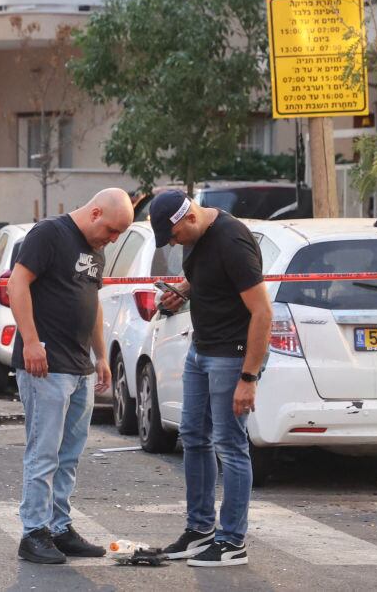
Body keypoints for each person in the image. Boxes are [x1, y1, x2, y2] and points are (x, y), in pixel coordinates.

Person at [7, 188, 134, 564]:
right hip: (45, 366)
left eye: (117, 235)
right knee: (43, 453)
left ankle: (59, 528)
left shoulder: (96, 250)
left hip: (78, 367)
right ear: (95, 212)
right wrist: (31, 343)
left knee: (69, 455)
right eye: (111, 231)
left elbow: (92, 302)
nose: (112, 240)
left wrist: (100, 356)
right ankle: (34, 533)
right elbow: (17, 283)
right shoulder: (48, 235)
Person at [148, 190, 272, 567]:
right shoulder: (194, 238)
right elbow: (210, 281)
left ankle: (232, 541)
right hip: (200, 351)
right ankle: (200, 531)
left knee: (230, 446)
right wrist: (182, 293)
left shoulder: (232, 240)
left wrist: (248, 377)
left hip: (230, 357)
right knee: (193, 437)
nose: (173, 244)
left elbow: (262, 313)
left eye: (172, 236)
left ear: (187, 218)